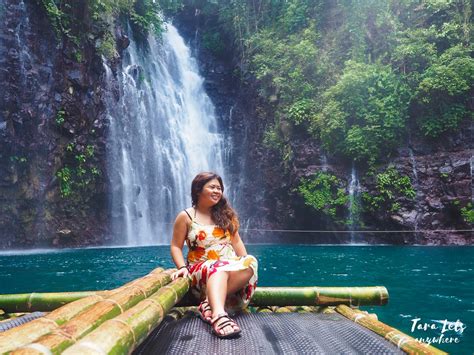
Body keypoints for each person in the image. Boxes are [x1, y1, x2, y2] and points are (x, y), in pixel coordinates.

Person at [170, 172, 258, 338]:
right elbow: (175, 246)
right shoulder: (186, 216)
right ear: (198, 190)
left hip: (228, 269)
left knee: (251, 261)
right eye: (212, 187)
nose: (217, 191)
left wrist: (244, 262)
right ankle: (218, 315)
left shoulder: (226, 215)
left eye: (219, 188)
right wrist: (181, 267)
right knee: (217, 268)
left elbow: (237, 242)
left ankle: (207, 303)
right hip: (201, 270)